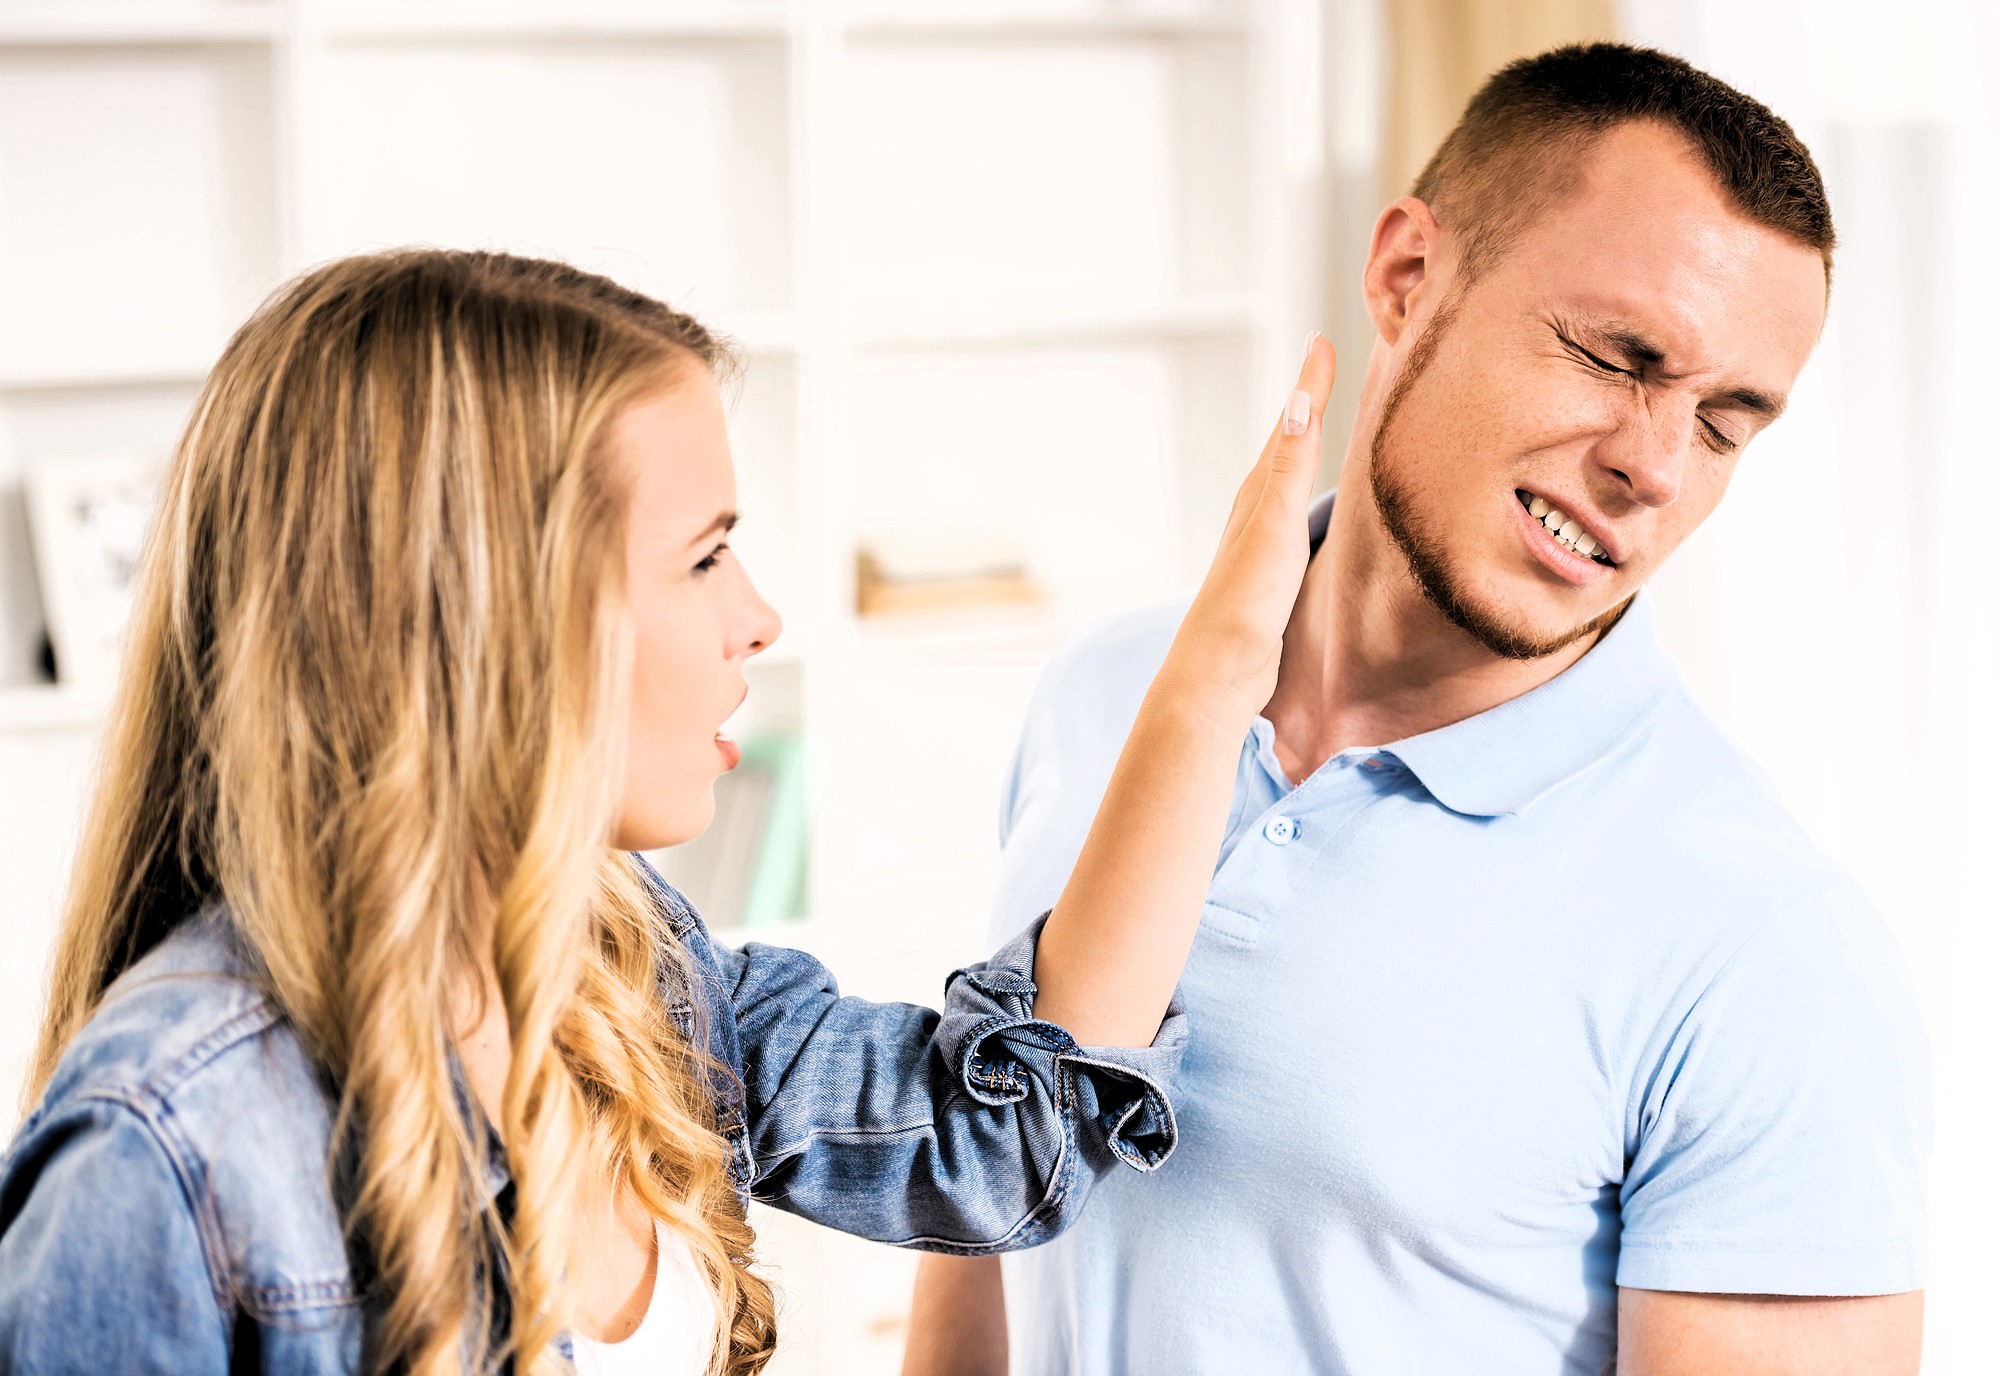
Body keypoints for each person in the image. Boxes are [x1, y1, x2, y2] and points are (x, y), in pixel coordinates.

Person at [0, 250, 1339, 1375]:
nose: (756, 617)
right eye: (703, 555)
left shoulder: (643, 976)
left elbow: (995, 1138)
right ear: (484, 619)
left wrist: (1221, 664)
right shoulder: (167, 1144)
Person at [906, 42, 1931, 1376]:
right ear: (1408, 275)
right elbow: (985, 1225)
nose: (1654, 468)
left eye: (1727, 423)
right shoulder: (1110, 695)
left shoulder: (1768, 957)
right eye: (1615, 355)